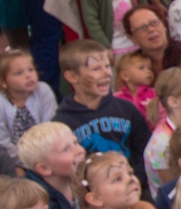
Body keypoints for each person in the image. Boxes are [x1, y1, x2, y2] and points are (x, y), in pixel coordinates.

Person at [54, 39, 153, 180]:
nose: (106, 73)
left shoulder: (126, 109)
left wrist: (135, 179)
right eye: (96, 69)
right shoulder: (61, 123)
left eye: (107, 66)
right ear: (72, 76)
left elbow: (145, 149)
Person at [0, 49, 57, 160]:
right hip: (14, 159)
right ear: (2, 82)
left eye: (31, 70)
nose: (28, 75)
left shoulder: (43, 90)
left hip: (48, 152)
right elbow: (2, 142)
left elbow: (51, 125)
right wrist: (25, 161)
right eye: (19, 73)